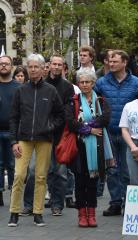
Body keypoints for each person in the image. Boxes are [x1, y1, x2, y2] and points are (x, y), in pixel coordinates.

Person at [8, 53, 65, 227]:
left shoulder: (50, 90)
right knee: (19, 175)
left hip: (44, 139)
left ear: (43, 69)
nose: (33, 70)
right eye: (30, 67)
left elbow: (60, 115)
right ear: (27, 69)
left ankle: (38, 213)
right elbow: (14, 117)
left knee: (40, 177)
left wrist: (49, 126)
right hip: (23, 139)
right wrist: (14, 141)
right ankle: (14, 212)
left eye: (36, 67)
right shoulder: (20, 90)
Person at [94, 49, 138, 216]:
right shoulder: (101, 83)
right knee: (112, 169)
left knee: (127, 170)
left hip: (129, 134)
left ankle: (129, 202)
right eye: (110, 61)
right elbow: (94, 104)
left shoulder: (136, 83)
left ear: (124, 63)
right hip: (109, 133)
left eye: (115, 61)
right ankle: (115, 202)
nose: (111, 64)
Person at [67, 69, 112, 227]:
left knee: (93, 181)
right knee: (80, 182)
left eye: (88, 82)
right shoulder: (73, 101)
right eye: (82, 82)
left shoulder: (100, 100)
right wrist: (89, 129)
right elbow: (70, 122)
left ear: (93, 83)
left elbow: (105, 118)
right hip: (79, 147)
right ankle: (81, 214)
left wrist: (86, 125)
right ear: (78, 84)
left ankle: (91, 214)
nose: (85, 84)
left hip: (97, 147)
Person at [44, 54, 75, 216]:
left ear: (63, 67)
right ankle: (52, 198)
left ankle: (58, 204)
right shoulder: (42, 84)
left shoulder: (67, 87)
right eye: (53, 64)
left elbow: (68, 111)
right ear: (48, 65)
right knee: (48, 170)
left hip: (62, 134)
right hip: (44, 134)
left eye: (59, 64)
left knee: (61, 172)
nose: (56, 67)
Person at [0, 56, 20, 207]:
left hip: (14, 132)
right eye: (1, 64)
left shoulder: (18, 87)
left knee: (13, 165)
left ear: (11, 67)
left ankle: (15, 196)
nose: (3, 66)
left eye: (6, 64)